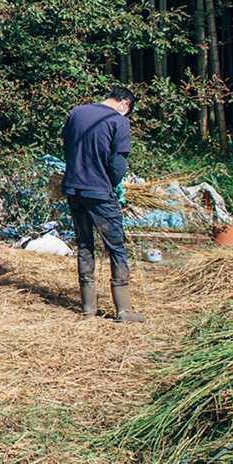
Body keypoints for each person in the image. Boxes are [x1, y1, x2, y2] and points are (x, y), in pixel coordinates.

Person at [60, 86, 141, 323]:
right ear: (125, 103)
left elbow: (67, 147)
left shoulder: (76, 112)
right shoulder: (118, 121)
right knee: (115, 247)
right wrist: (114, 185)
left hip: (74, 188)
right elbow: (118, 163)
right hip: (100, 192)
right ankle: (123, 310)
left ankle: (88, 309)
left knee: (85, 245)